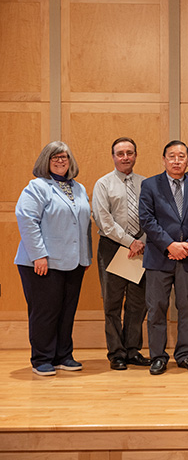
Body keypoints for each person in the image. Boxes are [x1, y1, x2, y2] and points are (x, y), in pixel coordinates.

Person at [15, 141, 92, 376]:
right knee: (45, 312)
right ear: (46, 161)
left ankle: (63, 355)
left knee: (66, 311)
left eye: (64, 157)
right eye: (54, 157)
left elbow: (83, 224)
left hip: (74, 262)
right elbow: (26, 219)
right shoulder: (37, 187)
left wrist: (85, 256)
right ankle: (42, 358)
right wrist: (39, 255)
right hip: (42, 263)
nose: (60, 161)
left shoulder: (78, 188)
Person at [138, 140, 188, 375]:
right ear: (164, 159)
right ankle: (158, 356)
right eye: (172, 156)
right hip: (159, 257)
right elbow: (147, 220)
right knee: (156, 308)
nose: (177, 161)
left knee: (187, 308)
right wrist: (170, 245)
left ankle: (185, 354)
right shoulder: (150, 185)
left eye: (181, 157)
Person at [92, 137, 152, 370]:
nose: (125, 157)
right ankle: (116, 353)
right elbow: (103, 220)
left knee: (138, 303)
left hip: (142, 247)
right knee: (113, 303)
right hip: (113, 247)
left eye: (130, 152)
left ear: (136, 155)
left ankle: (132, 350)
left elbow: (153, 216)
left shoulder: (146, 183)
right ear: (113, 156)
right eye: (120, 153)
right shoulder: (103, 184)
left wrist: (142, 241)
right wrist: (130, 242)